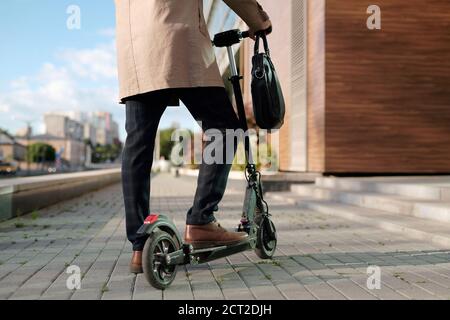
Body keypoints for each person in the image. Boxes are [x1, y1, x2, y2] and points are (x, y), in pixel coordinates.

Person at [114, 0, 272, 274]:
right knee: (225, 128)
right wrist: (258, 21)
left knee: (137, 144)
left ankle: (140, 247)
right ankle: (201, 220)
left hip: (135, 51)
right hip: (178, 39)